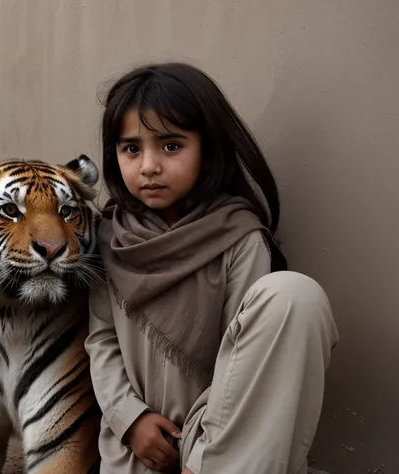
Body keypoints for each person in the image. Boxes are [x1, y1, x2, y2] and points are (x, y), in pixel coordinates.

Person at [85, 62, 339, 474]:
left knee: (294, 295)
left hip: (219, 438)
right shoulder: (110, 239)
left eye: (170, 146)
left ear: (207, 151)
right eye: (131, 148)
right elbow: (102, 342)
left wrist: (205, 454)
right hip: (141, 450)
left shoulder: (237, 237)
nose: (148, 165)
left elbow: (246, 366)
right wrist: (129, 420)